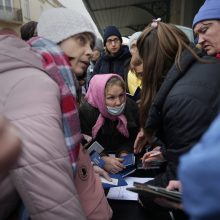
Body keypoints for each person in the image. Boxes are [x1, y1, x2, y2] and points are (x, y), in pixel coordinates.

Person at [0, 8, 112, 220]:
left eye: (90, 43)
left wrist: (83, 168)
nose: (89, 51)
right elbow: (50, 196)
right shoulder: (35, 84)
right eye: (81, 40)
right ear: (56, 38)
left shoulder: (54, 79)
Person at [133, 19, 220, 208]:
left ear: (152, 60)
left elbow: (182, 177)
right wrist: (167, 152)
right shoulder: (206, 65)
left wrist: (144, 193)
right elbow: (199, 139)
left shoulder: (181, 99)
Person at [79, 74, 139, 174]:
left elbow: (133, 136)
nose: (118, 102)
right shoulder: (86, 112)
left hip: (120, 161)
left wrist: (125, 152)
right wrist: (102, 159)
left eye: (121, 95)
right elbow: (84, 143)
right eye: (111, 98)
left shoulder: (130, 107)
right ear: (99, 96)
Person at [127, 31, 143, 101]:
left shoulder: (156, 65)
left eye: (139, 45)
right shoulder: (130, 73)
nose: (136, 49)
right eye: (133, 46)